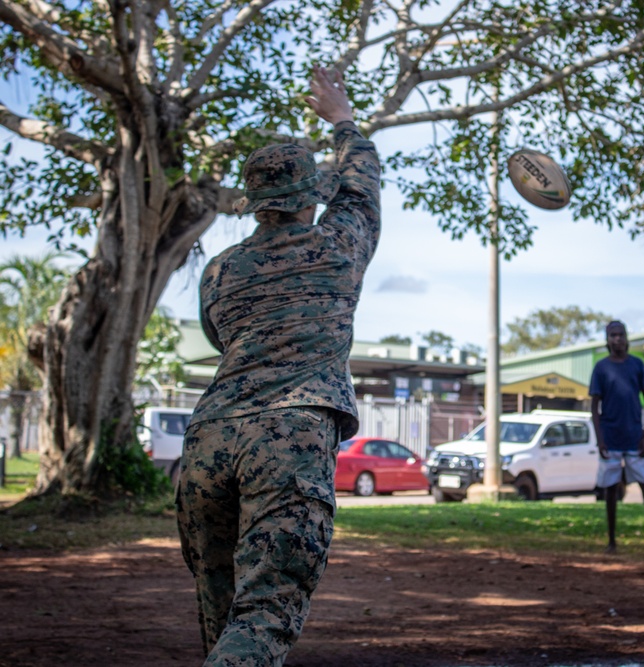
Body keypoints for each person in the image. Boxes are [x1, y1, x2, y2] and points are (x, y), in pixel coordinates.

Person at [175, 65, 380, 666]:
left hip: (210, 439)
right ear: (310, 196)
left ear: (256, 203)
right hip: (288, 436)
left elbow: (221, 337)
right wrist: (342, 120)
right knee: (264, 618)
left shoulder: (220, 269)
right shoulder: (338, 244)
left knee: (223, 620)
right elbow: (362, 186)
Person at [589, 321, 644, 556]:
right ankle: (611, 542)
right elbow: (594, 407)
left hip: (633, 438)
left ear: (627, 338)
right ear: (607, 339)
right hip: (610, 437)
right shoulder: (601, 368)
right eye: (613, 335)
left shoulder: (637, 365)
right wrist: (600, 440)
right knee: (610, 490)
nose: (617, 339)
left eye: (621, 335)